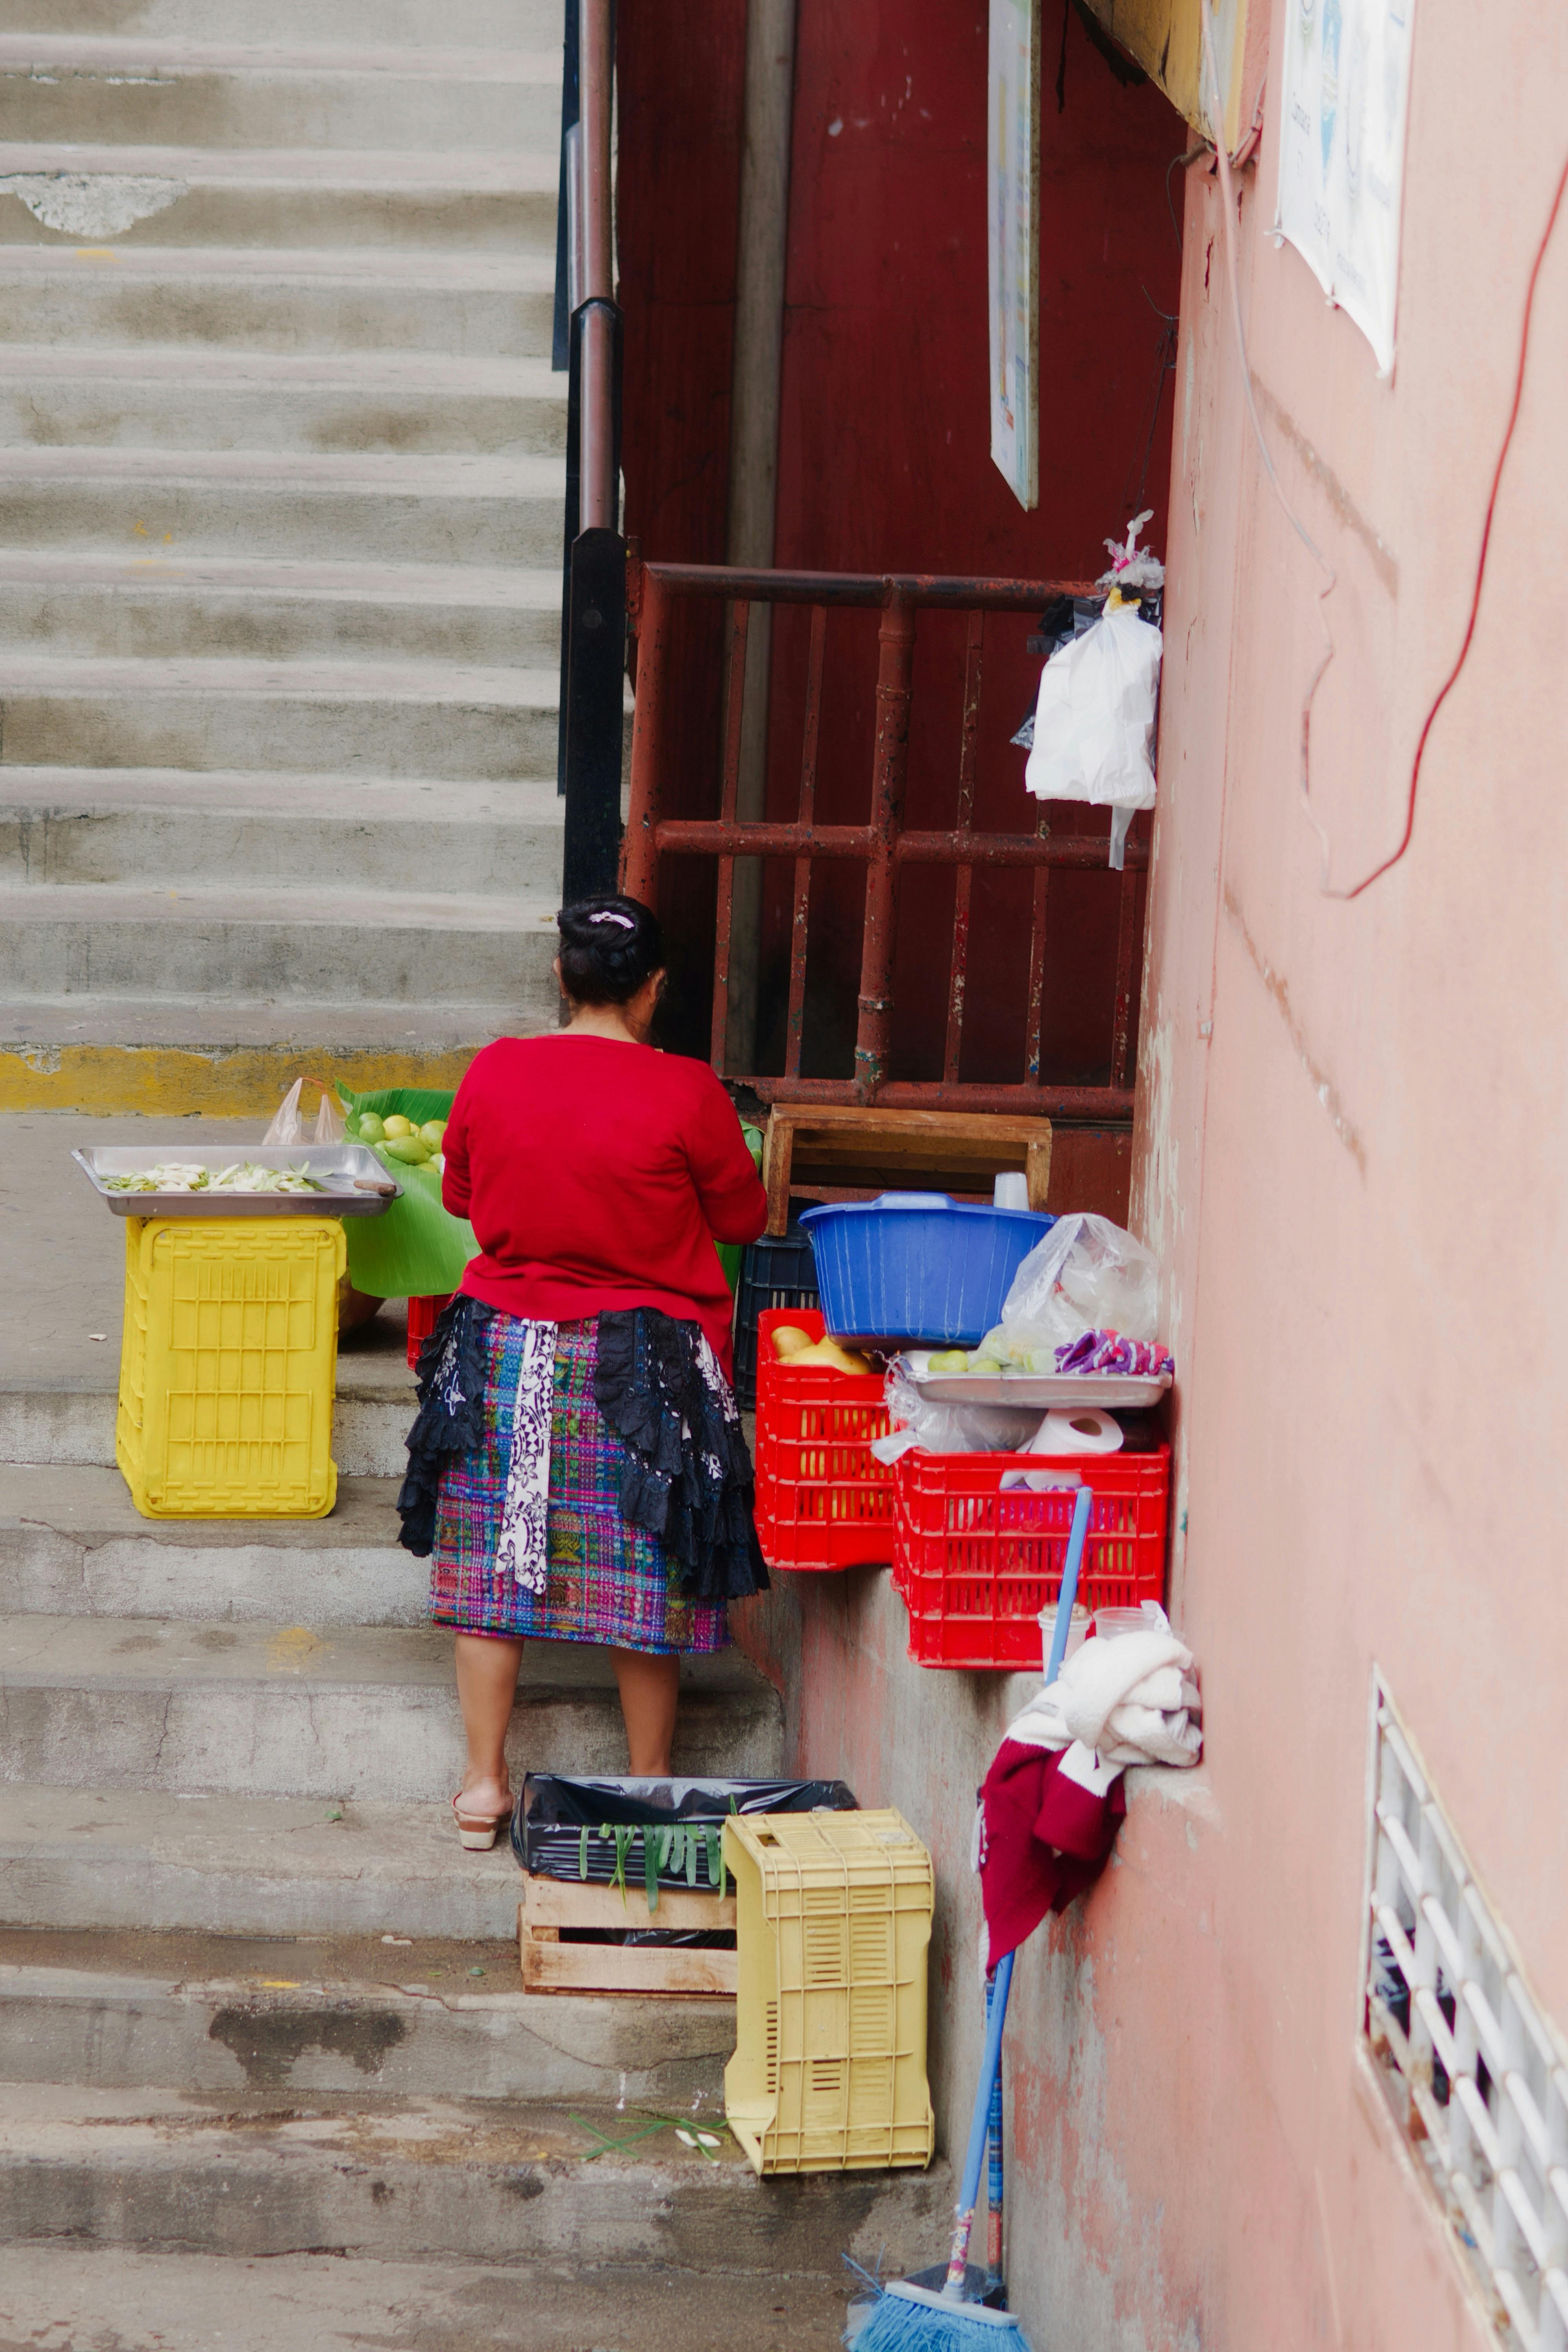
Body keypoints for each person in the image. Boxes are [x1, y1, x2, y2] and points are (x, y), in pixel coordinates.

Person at [397, 894, 769, 1848]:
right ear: (653, 991)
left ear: (560, 979)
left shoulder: (495, 1068)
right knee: (645, 1573)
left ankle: (481, 1788)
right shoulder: (688, 1091)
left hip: (504, 1349)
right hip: (638, 1364)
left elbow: (463, 1197)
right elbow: (740, 1220)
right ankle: (649, 1786)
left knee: (489, 1574)